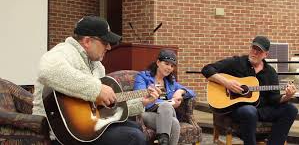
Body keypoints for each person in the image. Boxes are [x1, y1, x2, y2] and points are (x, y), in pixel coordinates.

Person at [32, 16, 160, 145]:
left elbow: (103, 110)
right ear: (87, 41)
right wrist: (97, 89)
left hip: (88, 127)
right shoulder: (65, 51)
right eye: (105, 42)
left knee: (135, 128)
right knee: (133, 137)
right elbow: (47, 70)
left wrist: (142, 103)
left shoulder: (98, 66)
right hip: (62, 132)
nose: (109, 47)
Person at [201, 36, 298, 145]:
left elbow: (273, 98)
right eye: (253, 48)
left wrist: (287, 97)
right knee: (249, 111)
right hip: (238, 109)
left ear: (266, 54)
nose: (255, 52)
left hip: (263, 110)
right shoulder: (237, 62)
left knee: (291, 109)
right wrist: (227, 83)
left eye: (259, 51)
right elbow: (207, 69)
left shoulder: (270, 72)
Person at [133, 49, 196, 145]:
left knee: (166, 107)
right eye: (166, 64)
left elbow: (192, 92)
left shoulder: (170, 83)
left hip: (166, 114)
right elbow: (139, 96)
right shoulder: (143, 77)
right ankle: (164, 140)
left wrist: (180, 91)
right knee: (174, 122)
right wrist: (166, 103)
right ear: (158, 62)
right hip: (147, 113)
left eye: (172, 66)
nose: (169, 68)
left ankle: (162, 139)